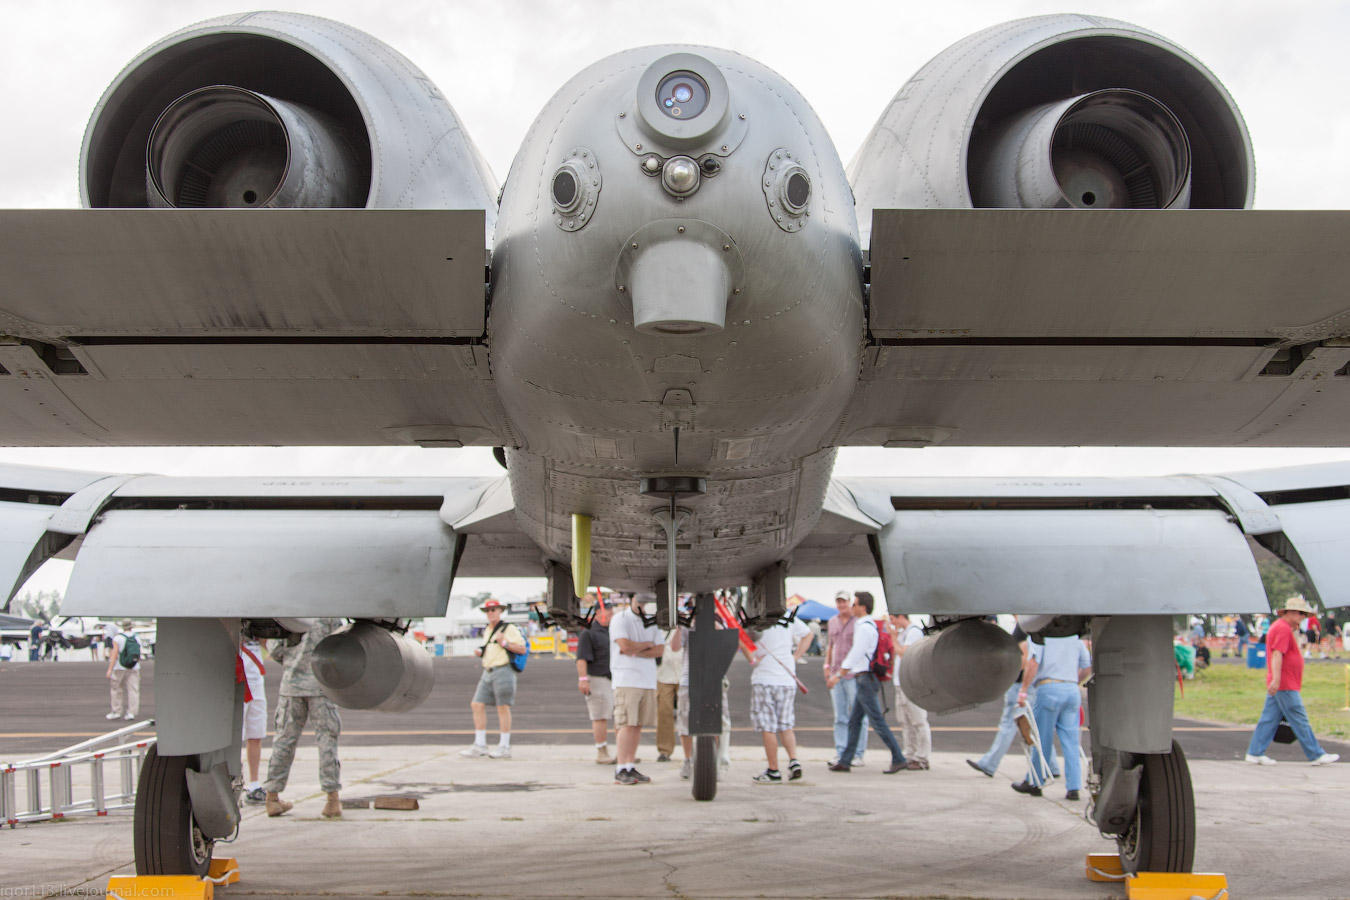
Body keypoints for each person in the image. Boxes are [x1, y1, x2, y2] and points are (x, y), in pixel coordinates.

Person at [1245, 596, 1340, 766]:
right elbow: (1277, 654)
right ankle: (1315, 753)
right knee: (1298, 718)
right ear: (1292, 613)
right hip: (1285, 684)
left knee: (1269, 718)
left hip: (1283, 682)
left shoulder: (1282, 627)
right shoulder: (1282, 629)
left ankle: (1255, 752)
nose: (1303, 618)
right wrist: (1276, 679)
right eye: (1301, 614)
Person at [263, 617, 344, 818]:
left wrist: (293, 662)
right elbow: (341, 645)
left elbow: (274, 648)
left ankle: (272, 797)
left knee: (283, 741)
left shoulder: (291, 614)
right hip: (321, 686)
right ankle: (332, 799)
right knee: (327, 741)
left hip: (291, 686)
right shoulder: (328, 614)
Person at [826, 592, 907, 774]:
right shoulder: (868, 625)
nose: (852, 607)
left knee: (876, 720)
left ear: (863, 607)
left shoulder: (863, 627)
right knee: (854, 721)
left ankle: (898, 757)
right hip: (864, 678)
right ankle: (846, 760)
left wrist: (838, 675)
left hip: (865, 678)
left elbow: (856, 652)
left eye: (854, 604)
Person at [1011, 632, 1091, 800]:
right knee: (1071, 741)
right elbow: (1087, 665)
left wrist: (1023, 690)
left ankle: (1035, 781)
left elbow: (1033, 664)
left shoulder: (1043, 638)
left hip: (1049, 688)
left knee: (1042, 739)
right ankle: (1074, 787)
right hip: (1071, 689)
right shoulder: (1074, 640)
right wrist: (1074, 681)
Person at [748, 613, 812, 783]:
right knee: (786, 724)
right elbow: (808, 634)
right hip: (786, 678)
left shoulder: (754, 617)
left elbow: (744, 638)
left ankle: (773, 769)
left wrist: (752, 658)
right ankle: (793, 760)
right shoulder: (788, 616)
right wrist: (796, 656)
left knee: (768, 726)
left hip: (764, 677)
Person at [460, 598, 526, 759]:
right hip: (487, 670)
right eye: (488, 611)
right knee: (477, 704)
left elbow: (522, 649)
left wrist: (504, 643)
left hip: (503, 670)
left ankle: (504, 746)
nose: (490, 613)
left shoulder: (508, 628)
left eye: (494, 610)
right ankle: (480, 744)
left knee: (502, 707)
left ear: (500, 611)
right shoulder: (488, 629)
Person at [609, 595, 663, 784]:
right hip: (627, 679)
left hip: (646, 679)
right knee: (626, 724)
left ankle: (630, 765)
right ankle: (621, 767)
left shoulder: (652, 622)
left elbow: (660, 650)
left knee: (637, 724)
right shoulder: (620, 619)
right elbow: (624, 646)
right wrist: (647, 645)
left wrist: (636, 649)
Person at [968, 622, 1032, 777]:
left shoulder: (1023, 627)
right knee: (1033, 728)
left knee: (1009, 725)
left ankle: (989, 763)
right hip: (1028, 685)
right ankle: (1051, 766)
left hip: (1019, 685)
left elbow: (1024, 656)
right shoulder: (1030, 625)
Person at [823, 590, 867, 766]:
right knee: (840, 716)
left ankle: (858, 753)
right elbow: (830, 646)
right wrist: (826, 666)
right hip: (836, 674)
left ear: (851, 603)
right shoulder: (832, 622)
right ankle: (841, 751)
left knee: (857, 716)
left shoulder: (858, 623)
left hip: (852, 674)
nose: (842, 605)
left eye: (845, 602)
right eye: (839, 602)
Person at [576, 599, 616, 765]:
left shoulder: (611, 631)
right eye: (608, 611)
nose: (611, 614)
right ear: (598, 612)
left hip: (611, 679)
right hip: (597, 678)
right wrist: (583, 679)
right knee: (600, 716)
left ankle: (622, 751)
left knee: (613, 716)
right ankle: (601, 751)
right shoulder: (589, 632)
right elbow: (581, 658)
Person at [890, 613, 931, 771]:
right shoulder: (904, 633)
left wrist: (894, 637)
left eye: (893, 619)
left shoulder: (913, 631)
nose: (893, 624)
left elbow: (903, 653)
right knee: (905, 721)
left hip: (911, 682)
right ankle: (910, 754)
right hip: (900, 682)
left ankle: (922, 757)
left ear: (901, 616)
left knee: (918, 720)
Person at [239, 634, 268, 803]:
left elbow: (266, 644)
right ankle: (235, 781)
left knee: (256, 733)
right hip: (239, 674)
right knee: (237, 735)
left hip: (256, 677)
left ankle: (254, 784)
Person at [104, 622, 141, 721]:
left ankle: (116, 711)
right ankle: (132, 712)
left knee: (116, 689)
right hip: (134, 667)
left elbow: (115, 654)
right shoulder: (137, 637)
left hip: (119, 667)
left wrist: (110, 669)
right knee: (133, 690)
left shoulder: (118, 638)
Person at [656, 630, 683, 763]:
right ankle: (664, 750)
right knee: (664, 712)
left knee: (688, 713)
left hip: (684, 674)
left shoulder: (685, 623)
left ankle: (692, 749)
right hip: (664, 675)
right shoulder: (658, 627)